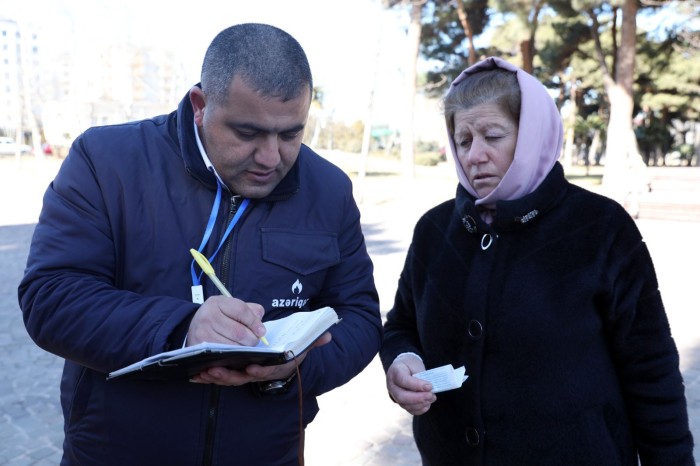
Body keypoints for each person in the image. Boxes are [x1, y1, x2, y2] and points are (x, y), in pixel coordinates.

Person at [19, 23, 381, 465]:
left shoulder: (329, 190)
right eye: (247, 133)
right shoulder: (106, 161)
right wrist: (181, 329)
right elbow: (51, 297)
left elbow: (359, 316)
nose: (271, 157)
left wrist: (293, 370)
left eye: (290, 134)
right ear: (200, 105)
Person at [380, 57, 695, 465]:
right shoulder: (434, 231)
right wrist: (403, 360)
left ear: (532, 135)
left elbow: (652, 371)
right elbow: (401, 324)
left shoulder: (602, 229)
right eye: (463, 140)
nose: (475, 155)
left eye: (493, 135)